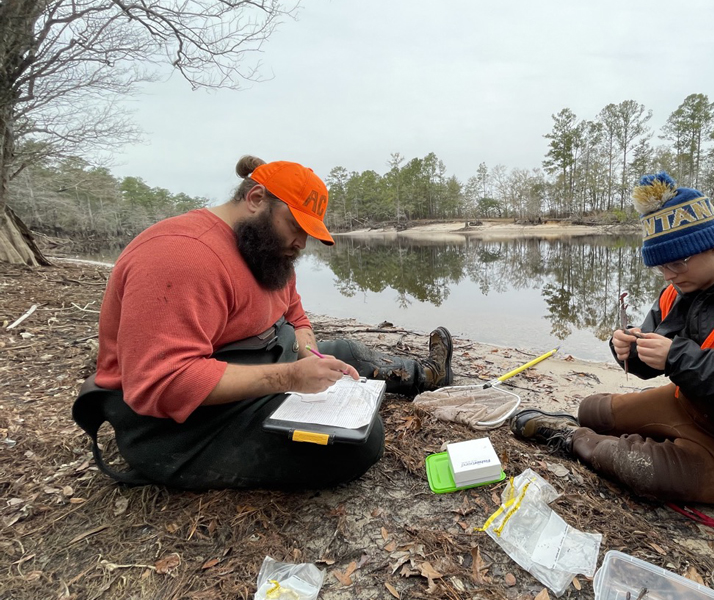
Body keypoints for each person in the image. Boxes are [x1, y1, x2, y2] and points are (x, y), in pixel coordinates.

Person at [72, 155, 453, 490]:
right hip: (179, 425)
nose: (301, 244)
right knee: (359, 444)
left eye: (308, 233)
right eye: (296, 227)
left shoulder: (265, 250)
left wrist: (309, 354)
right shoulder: (180, 257)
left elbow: (296, 317)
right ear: (256, 199)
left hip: (250, 366)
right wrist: (289, 378)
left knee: (344, 353)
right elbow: (162, 383)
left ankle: (428, 375)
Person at [511, 172, 714, 507]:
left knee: (644, 469)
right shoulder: (678, 289)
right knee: (591, 410)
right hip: (692, 406)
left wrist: (678, 358)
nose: (669, 275)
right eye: (660, 267)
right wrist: (629, 350)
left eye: (677, 263)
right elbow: (649, 364)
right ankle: (609, 433)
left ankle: (574, 438)